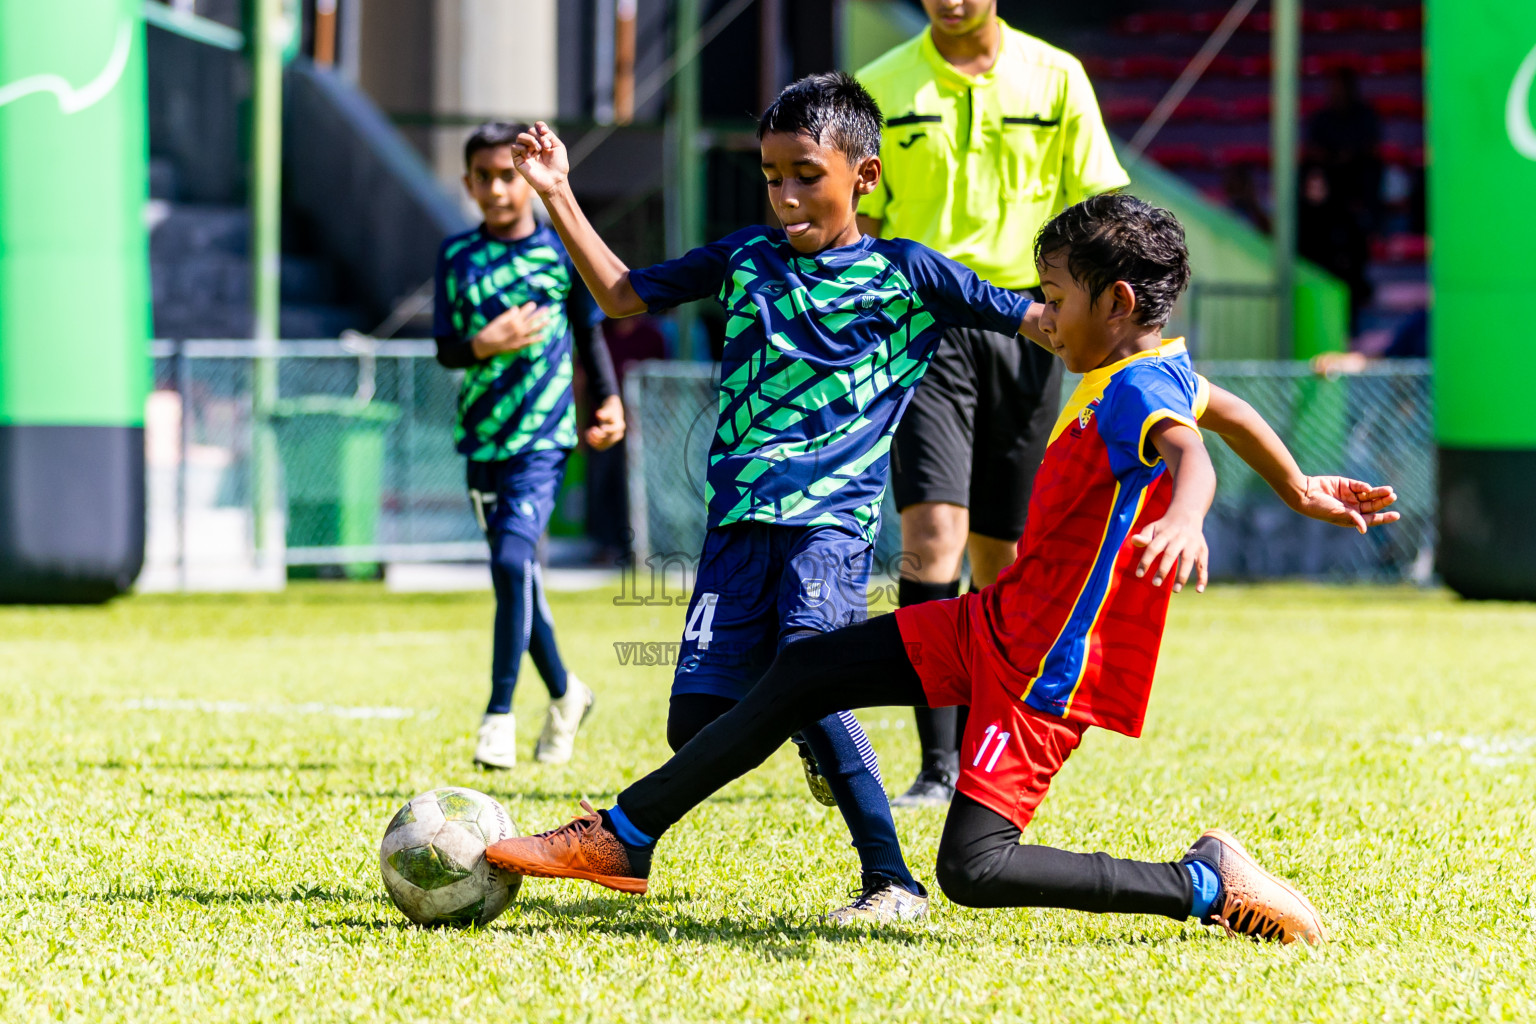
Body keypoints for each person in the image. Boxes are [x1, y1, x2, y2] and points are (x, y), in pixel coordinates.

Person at [482, 193, 1401, 944]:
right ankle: (624, 837)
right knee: (804, 671)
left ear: (1116, 302)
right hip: (992, 623)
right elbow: (1224, 406)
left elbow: (1186, 447)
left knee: (974, 867)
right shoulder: (1156, 360)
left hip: (1040, 675)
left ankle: (1202, 884)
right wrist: (1295, 486)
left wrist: (1192, 514)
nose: (1045, 313)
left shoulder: (1134, 388)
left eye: (1057, 296)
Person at [501, 74, 1066, 923]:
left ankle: (889, 881)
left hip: (828, 530)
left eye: (807, 173)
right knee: (695, 721)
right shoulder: (743, 258)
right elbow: (620, 293)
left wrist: (1142, 356)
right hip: (736, 528)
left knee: (812, 680)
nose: (787, 195)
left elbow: (1037, 322)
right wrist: (557, 193)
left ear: (864, 176)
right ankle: (801, 732)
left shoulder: (908, 273)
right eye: (772, 176)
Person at [855, 0, 1131, 806]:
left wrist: (1107, 321)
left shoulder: (1059, 77)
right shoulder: (881, 85)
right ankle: (936, 764)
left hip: (1032, 329)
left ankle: (985, 745)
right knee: (930, 536)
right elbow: (863, 225)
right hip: (926, 327)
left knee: (998, 555)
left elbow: (1103, 212)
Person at [433, 122, 626, 770]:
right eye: (482, 177)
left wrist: (607, 398)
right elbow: (445, 348)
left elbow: (590, 333)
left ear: (525, 178)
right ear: (468, 184)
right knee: (520, 575)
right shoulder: (457, 257)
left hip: (542, 439)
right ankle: (568, 693)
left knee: (514, 565)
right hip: (480, 440)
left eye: (506, 175)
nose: (496, 188)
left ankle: (498, 713)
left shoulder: (558, 254)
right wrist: (486, 343)